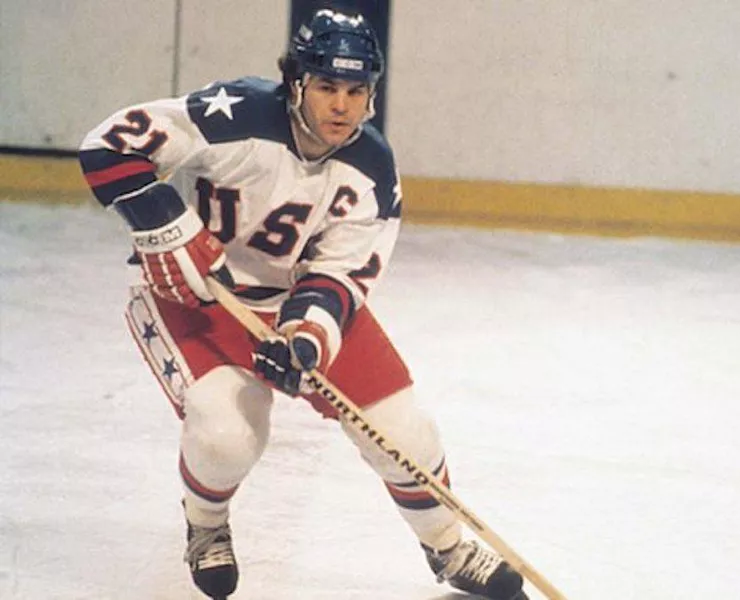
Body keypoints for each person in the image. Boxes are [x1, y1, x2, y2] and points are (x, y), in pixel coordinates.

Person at [79, 8, 527, 600]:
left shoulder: (372, 167)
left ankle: (446, 544)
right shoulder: (234, 115)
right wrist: (158, 218)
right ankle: (207, 526)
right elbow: (107, 146)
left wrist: (305, 338)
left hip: (296, 304)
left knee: (405, 431)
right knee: (226, 436)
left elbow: (341, 273)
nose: (341, 105)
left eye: (355, 90)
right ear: (297, 83)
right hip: (200, 299)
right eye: (326, 87)